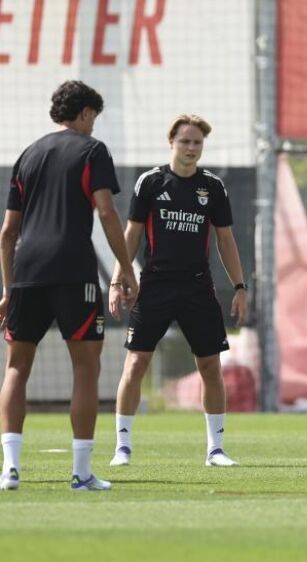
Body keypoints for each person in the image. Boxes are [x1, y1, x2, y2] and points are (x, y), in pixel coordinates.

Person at [0, 81, 138, 491]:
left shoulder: (28, 155)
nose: (94, 126)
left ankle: (9, 470)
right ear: (83, 114)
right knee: (86, 367)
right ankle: (80, 473)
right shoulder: (91, 150)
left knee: (16, 366)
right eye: (93, 117)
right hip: (72, 269)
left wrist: (8, 288)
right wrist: (126, 268)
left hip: (25, 271)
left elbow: (8, 231)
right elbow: (108, 213)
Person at [108, 114, 249, 468]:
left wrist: (240, 286)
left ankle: (215, 449)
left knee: (210, 367)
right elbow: (131, 234)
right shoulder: (151, 182)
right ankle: (122, 447)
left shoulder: (213, 187)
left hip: (197, 288)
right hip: (154, 285)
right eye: (185, 141)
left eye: (197, 142)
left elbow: (226, 239)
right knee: (136, 363)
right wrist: (118, 278)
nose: (191, 148)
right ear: (171, 142)